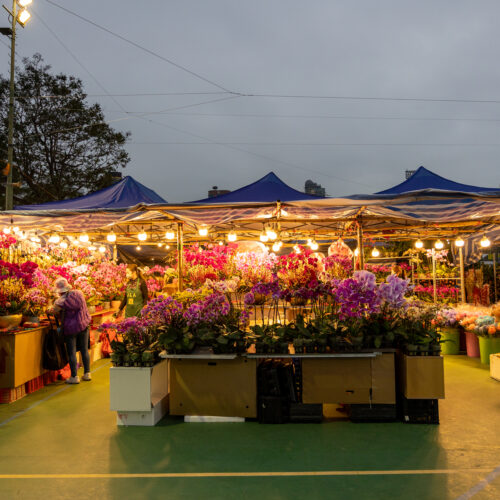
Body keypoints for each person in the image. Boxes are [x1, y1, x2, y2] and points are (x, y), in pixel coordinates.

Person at [48, 277, 92, 385]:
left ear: (59, 291)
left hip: (70, 329)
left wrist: (48, 307)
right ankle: (87, 373)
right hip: (83, 325)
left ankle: (74, 377)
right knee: (84, 350)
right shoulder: (79, 294)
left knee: (72, 353)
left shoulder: (60, 301)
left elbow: (52, 311)